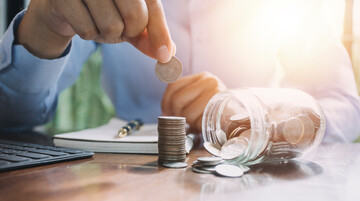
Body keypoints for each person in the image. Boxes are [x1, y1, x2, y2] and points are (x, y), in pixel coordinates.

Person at [0, 0, 359, 143]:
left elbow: (345, 107)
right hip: (130, 182)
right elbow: (11, 118)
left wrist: (253, 112)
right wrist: (45, 26)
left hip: (258, 182)